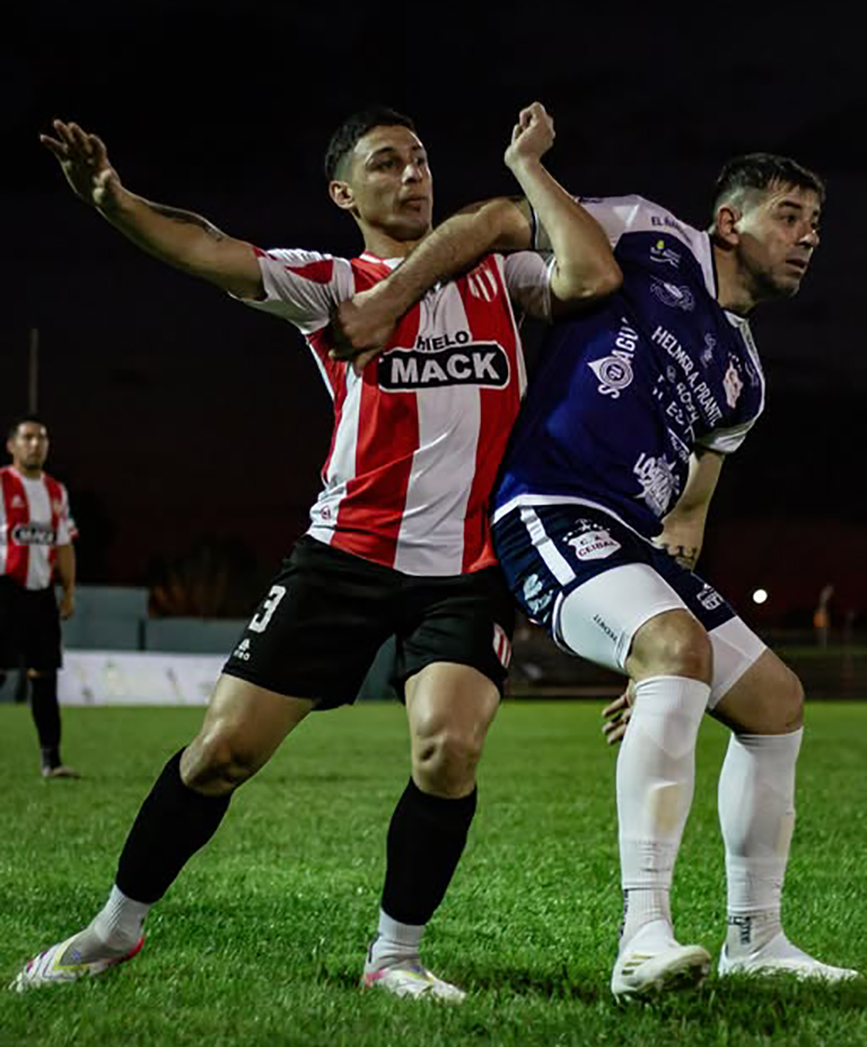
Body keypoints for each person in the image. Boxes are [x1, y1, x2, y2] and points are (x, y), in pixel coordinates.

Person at [12, 104, 620, 997]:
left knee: (447, 750)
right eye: (386, 164)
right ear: (344, 192)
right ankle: (112, 929)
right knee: (221, 753)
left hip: (465, 570)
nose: (412, 175)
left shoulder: (503, 274)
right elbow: (207, 247)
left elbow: (593, 270)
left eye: (419, 160)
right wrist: (114, 200)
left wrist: (528, 172)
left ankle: (396, 956)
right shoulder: (331, 282)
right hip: (343, 556)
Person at [329, 155, 861, 998]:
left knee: (776, 702)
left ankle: (754, 937)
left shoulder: (746, 379)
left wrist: (652, 649)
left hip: (632, 544)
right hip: (547, 506)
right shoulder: (649, 235)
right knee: (676, 650)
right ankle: (640, 936)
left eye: (814, 224)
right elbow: (499, 220)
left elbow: (685, 517)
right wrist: (391, 296)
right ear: (730, 222)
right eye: (790, 216)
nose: (808, 238)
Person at [1, 416, 79, 779]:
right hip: (5, 589)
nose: (36, 444)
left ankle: (52, 760)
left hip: (41, 594)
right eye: (28, 438)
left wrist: (68, 592)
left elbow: (63, 545)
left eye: (42, 438)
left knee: (44, 677)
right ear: (12, 445)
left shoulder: (56, 491)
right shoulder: (1, 484)